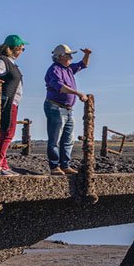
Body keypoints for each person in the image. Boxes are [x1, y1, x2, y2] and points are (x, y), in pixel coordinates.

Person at [44, 44, 91, 175]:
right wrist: (78, 93)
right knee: (55, 138)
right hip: (55, 107)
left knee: (68, 139)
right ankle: (54, 166)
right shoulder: (54, 70)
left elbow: (83, 64)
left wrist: (87, 54)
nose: (71, 57)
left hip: (68, 109)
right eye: (69, 55)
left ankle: (65, 165)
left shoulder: (68, 69)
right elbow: (60, 87)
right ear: (61, 57)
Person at [0, 34, 28, 176]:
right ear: (14, 48)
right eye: (22, 49)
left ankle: (3, 164)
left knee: (5, 132)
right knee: (8, 133)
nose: (22, 51)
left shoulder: (11, 62)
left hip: (11, 102)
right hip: (6, 103)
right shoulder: (3, 60)